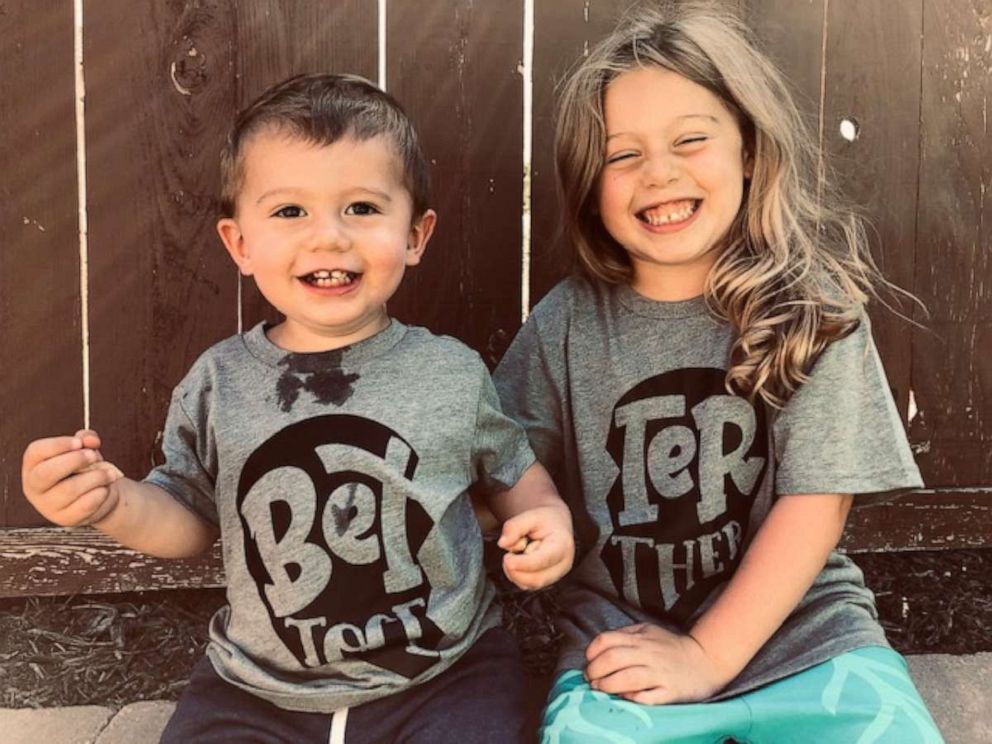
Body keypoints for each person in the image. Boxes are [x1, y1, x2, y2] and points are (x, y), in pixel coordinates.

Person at [21, 73, 574, 744]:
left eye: (362, 209)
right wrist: (111, 504)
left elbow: (512, 472)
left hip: (443, 675)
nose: (329, 238)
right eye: (290, 212)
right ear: (241, 244)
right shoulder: (220, 383)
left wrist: (545, 517)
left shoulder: (449, 373)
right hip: (256, 686)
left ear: (416, 235)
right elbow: (190, 519)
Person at [493, 3, 942, 742]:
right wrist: (529, 519)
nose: (658, 173)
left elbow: (816, 507)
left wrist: (707, 654)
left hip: (803, 633)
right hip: (624, 636)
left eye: (691, 140)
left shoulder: (812, 310)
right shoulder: (566, 323)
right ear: (589, 182)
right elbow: (506, 459)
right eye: (621, 154)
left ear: (747, 150)